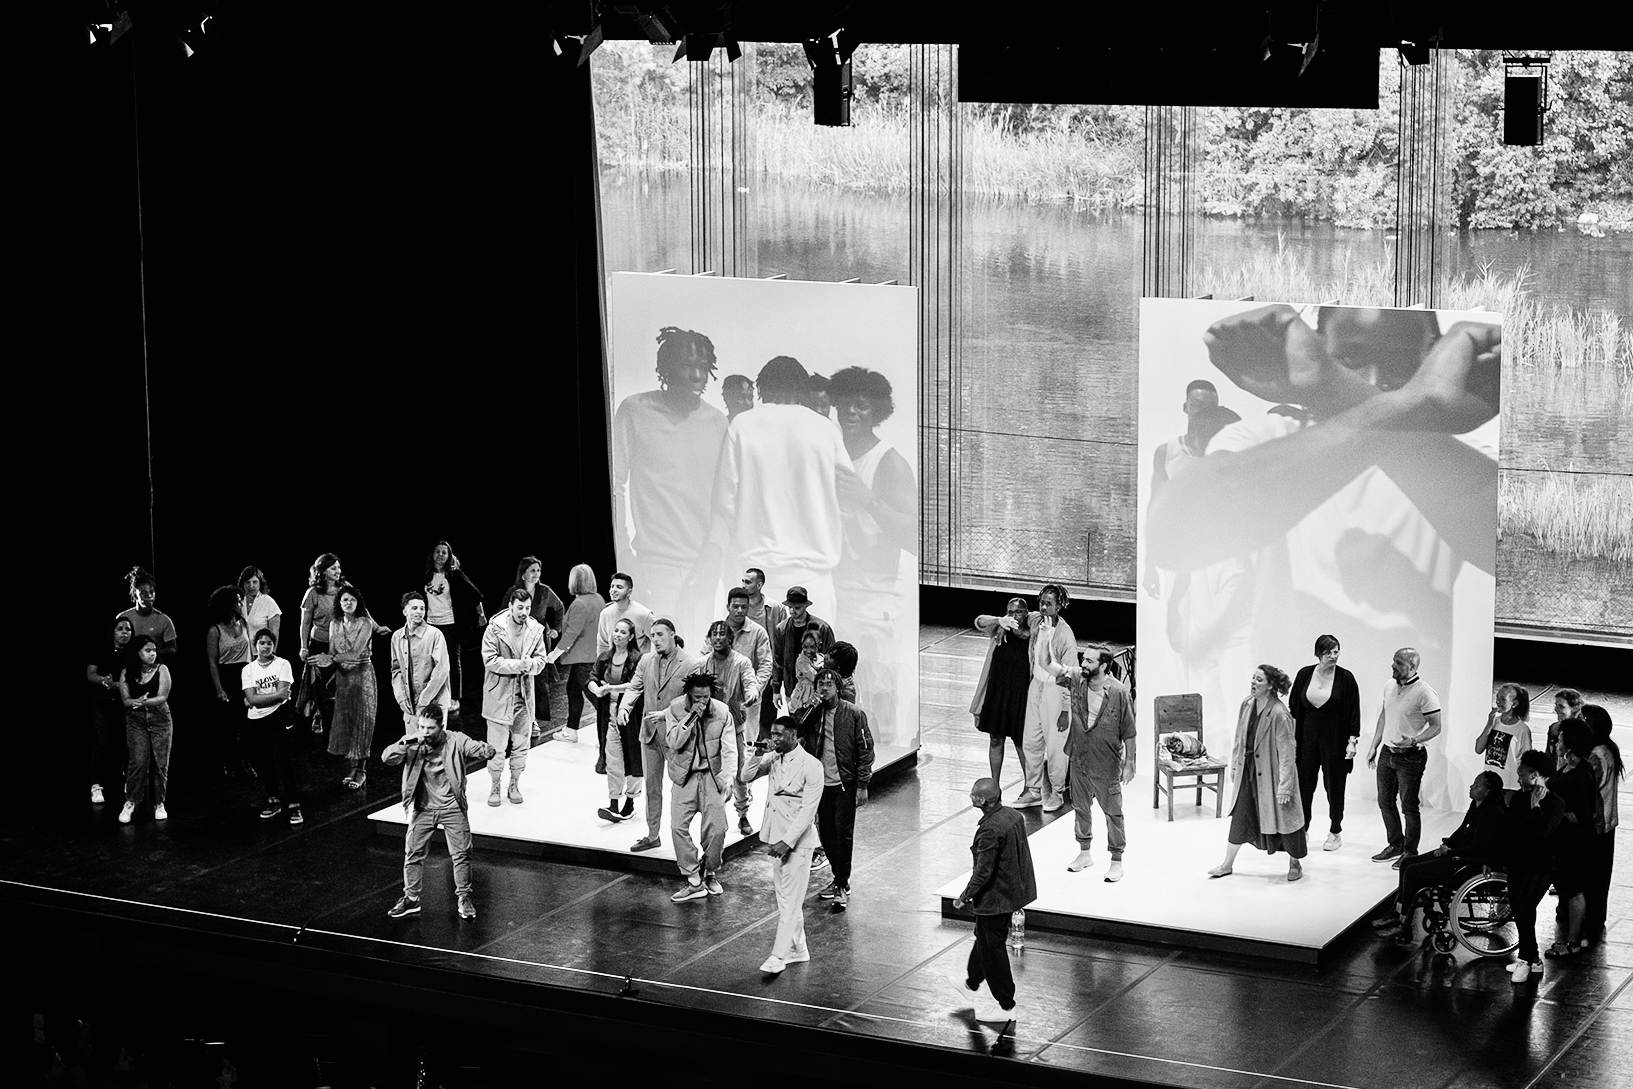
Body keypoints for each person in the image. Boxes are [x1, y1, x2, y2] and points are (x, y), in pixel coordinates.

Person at [709, 355, 860, 622]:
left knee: (754, 650)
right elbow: (848, 497)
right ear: (802, 389)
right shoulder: (825, 429)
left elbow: (725, 504)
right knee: (813, 649)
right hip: (814, 581)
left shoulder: (742, 425)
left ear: (762, 388)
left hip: (756, 581)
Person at [612, 327, 730, 644]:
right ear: (666, 367)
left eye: (703, 366)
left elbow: (725, 499)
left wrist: (714, 553)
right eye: (687, 365)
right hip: (653, 564)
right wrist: (623, 552)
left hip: (702, 567)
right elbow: (615, 485)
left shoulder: (717, 422)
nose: (697, 375)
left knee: (700, 662)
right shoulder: (635, 410)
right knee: (654, 663)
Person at [830, 365, 918, 746]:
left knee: (878, 697)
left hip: (876, 603)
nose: (851, 411)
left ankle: (885, 761)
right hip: (838, 597)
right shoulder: (832, 454)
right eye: (845, 403)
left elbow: (914, 536)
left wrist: (868, 501)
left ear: (877, 411)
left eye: (861, 405)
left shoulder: (889, 462)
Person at [383, 704, 498, 921]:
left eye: (430, 728)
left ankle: (464, 897)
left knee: (461, 855)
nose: (425, 732)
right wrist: (404, 743)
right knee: (413, 853)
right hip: (423, 808)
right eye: (422, 727)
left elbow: (480, 749)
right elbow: (387, 758)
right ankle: (411, 899)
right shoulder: (413, 743)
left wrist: (486, 750)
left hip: (452, 807)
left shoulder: (456, 740)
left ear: (441, 726)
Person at [1370, 771, 1506, 944]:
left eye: (1477, 785)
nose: (1471, 786)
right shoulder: (1477, 805)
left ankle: (1403, 924)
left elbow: (1478, 849)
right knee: (1406, 863)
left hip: (1467, 863)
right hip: (1457, 854)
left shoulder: (1492, 813)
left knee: (1412, 872)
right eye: (1473, 782)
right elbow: (1461, 831)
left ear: (1488, 791)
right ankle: (1397, 913)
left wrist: (1448, 852)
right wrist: (1447, 846)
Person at [740, 715, 824, 975]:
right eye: (772, 733)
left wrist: (786, 843)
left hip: (797, 843)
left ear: (793, 736)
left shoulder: (812, 766)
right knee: (786, 899)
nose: (773, 738)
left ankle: (779, 955)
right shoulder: (773, 758)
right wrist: (757, 754)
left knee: (789, 902)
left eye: (778, 734)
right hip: (775, 837)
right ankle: (799, 949)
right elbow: (745, 776)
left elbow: (808, 812)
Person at [949, 778, 1037, 1025]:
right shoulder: (1012, 816)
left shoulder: (989, 830)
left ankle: (1006, 1006)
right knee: (985, 939)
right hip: (1011, 892)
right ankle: (971, 983)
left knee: (992, 951)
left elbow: (983, 872)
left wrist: (964, 896)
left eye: (973, 794)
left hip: (995, 899)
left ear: (982, 800)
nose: (970, 796)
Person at [1210, 665, 1306, 882]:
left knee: (1286, 819)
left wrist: (1285, 786)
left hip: (1272, 775)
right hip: (1248, 771)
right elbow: (1239, 738)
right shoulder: (1247, 704)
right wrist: (1235, 765)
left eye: (1259, 680)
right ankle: (1227, 864)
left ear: (1271, 685)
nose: (1253, 682)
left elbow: (1288, 753)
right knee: (1241, 814)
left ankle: (1295, 863)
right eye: (1253, 678)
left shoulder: (1279, 713)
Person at [794, 668, 875, 907]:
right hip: (820, 784)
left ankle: (841, 882)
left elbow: (865, 749)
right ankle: (838, 878)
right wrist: (808, 708)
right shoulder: (814, 713)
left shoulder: (854, 714)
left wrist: (862, 784)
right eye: (820, 684)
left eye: (829, 684)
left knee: (843, 834)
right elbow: (796, 729)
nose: (824, 688)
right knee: (826, 834)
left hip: (844, 784)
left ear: (838, 688)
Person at [618, 619, 698, 851]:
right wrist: (624, 707)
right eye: (652, 635)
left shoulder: (690, 664)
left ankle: (681, 836)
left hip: (676, 737)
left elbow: (694, 700)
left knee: (680, 788)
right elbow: (635, 686)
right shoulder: (646, 660)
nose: (655, 639)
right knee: (652, 788)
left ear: (672, 634)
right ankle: (653, 835)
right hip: (650, 734)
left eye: (660, 634)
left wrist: (666, 714)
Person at [1059, 645, 1137, 883]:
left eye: (1089, 661)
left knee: (1112, 812)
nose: (1083, 664)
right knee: (1080, 806)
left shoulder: (1118, 692)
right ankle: (1084, 853)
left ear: (1103, 665)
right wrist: (1045, 638)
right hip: (1079, 756)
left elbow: (1129, 731)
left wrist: (1130, 763)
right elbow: (1049, 667)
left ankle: (1116, 861)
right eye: (1083, 659)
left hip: (1106, 761)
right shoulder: (1077, 680)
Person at [1141, 379, 1221, 600]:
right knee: (1178, 617)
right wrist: (1149, 565)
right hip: (1180, 559)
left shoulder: (1226, 452)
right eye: (1197, 406)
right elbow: (1154, 509)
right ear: (1186, 407)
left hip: (1218, 560)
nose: (1203, 413)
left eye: (1210, 408)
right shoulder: (1167, 452)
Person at [663, 671, 737, 903]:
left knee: (717, 830)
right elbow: (673, 741)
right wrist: (691, 717)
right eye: (697, 697)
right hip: (684, 777)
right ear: (689, 695)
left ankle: (710, 871)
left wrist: (729, 778)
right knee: (677, 827)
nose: (702, 701)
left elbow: (730, 749)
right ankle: (693, 879)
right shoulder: (675, 709)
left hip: (712, 777)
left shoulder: (722, 712)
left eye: (706, 697)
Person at [1365, 647, 1441, 866]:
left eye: (1398, 663)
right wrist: (1374, 745)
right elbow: (1384, 716)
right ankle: (1395, 844)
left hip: (1411, 757)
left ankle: (1410, 851)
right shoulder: (1389, 685)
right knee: (1385, 802)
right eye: (1394, 661)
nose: (1393, 665)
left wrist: (1415, 740)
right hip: (1387, 753)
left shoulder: (1425, 692)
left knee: (1409, 806)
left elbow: (1436, 726)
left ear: (1412, 666)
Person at [1290, 635, 1361, 852]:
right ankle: (1302, 829)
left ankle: (1335, 831)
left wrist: (1352, 741)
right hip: (1307, 740)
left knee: (1334, 787)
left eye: (1336, 651)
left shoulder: (1346, 678)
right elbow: (1294, 709)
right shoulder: (1304, 674)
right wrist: (1291, 740)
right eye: (1328, 652)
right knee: (1304, 787)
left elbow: (1353, 711)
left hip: (1335, 740)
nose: (1333, 656)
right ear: (1318, 653)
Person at [481, 587, 549, 807]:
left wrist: (532, 665)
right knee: (497, 747)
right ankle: (495, 785)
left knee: (521, 746)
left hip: (524, 697)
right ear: (510, 606)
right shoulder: (495, 628)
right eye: (520, 607)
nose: (524, 612)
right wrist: (519, 665)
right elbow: (490, 660)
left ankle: (514, 784)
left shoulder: (535, 629)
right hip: (499, 697)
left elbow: (541, 660)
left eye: (527, 608)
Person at [1015, 584, 1077, 812]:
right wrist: (1001, 626)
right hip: (1036, 686)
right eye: (1041, 602)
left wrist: (1065, 710)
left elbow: (1070, 676)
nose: (1043, 607)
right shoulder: (1036, 621)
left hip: (1056, 690)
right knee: (1031, 740)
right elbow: (1017, 623)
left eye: (1049, 603)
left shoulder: (1065, 635)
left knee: (1056, 746)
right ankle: (1033, 790)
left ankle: (1057, 792)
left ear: (1059, 606)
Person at [1506, 750, 1566, 983]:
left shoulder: (1555, 802)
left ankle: (1525, 958)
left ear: (1535, 775)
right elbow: (1510, 830)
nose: (1518, 778)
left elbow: (1544, 831)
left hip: (1541, 865)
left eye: (1521, 774)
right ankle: (1533, 960)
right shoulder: (1518, 798)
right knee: (1519, 909)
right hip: (1518, 862)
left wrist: (1535, 807)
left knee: (1524, 907)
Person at [699, 619, 759, 836]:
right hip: (710, 727)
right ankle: (716, 817)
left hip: (735, 726)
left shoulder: (741, 662)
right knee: (713, 772)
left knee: (740, 774)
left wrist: (752, 694)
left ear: (730, 638)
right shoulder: (703, 663)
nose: (718, 638)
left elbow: (750, 683)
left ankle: (743, 814)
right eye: (714, 634)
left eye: (722, 633)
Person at [328, 583, 389, 790]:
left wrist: (329, 658)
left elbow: (354, 653)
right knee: (347, 722)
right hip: (343, 678)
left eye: (352, 600)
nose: (348, 603)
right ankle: (353, 767)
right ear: (339, 603)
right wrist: (325, 660)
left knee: (363, 721)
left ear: (358, 603)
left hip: (362, 675)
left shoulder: (365, 623)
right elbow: (331, 651)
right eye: (345, 599)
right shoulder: (334, 624)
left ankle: (362, 770)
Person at [1547, 719, 1599, 959]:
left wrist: (1556, 813)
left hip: (1575, 843)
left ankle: (1573, 942)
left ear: (1570, 743)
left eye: (1560, 739)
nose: (1556, 742)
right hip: (1565, 841)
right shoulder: (1572, 765)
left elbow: (1583, 815)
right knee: (1569, 888)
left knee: (1574, 890)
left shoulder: (1579, 774)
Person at [243, 627, 302, 825]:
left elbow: (282, 695)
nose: (266, 646)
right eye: (262, 643)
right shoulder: (248, 670)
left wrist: (258, 699)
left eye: (269, 643)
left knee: (284, 761)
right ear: (255, 646)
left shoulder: (283, 664)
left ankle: (294, 805)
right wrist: (271, 696)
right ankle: (273, 801)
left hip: (280, 717)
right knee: (265, 762)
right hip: (257, 720)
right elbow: (252, 698)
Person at [970, 598, 1031, 785]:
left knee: (1021, 742)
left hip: (1022, 694)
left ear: (1026, 613)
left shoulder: (1033, 633)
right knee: (996, 739)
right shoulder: (1000, 628)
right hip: (997, 692)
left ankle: (1031, 786)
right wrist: (999, 620)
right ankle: (995, 784)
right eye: (1010, 612)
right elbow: (979, 621)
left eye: (1018, 612)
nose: (1014, 616)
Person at [422, 542, 485, 712]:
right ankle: (435, 695)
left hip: (450, 624)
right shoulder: (427, 575)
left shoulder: (454, 575)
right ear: (432, 554)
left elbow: (475, 594)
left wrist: (481, 615)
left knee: (451, 661)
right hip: (431, 624)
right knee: (433, 662)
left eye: (444, 552)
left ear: (449, 555)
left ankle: (454, 697)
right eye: (437, 551)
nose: (440, 555)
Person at [1578, 704, 1622, 947]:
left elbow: (1588, 788)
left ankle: (1591, 922)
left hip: (1596, 824)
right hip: (1604, 823)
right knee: (1598, 876)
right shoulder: (1605, 750)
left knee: (1593, 877)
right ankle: (1593, 918)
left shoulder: (1597, 754)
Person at [117, 635, 173, 825]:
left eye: (154, 650)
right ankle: (131, 801)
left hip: (160, 718)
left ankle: (159, 803)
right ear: (137, 652)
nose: (152, 654)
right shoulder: (127, 672)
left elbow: (163, 696)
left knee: (160, 762)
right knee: (138, 762)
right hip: (136, 720)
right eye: (147, 650)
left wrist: (145, 701)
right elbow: (126, 700)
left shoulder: (161, 669)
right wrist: (137, 702)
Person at [591, 618, 643, 823]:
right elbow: (592, 678)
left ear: (630, 637)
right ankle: (613, 803)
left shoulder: (638, 659)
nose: (618, 635)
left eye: (623, 632)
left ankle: (630, 803)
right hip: (608, 713)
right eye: (616, 631)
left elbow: (636, 684)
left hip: (630, 714)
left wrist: (611, 688)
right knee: (612, 758)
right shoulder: (605, 657)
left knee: (633, 757)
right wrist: (598, 690)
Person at [547, 563, 605, 746]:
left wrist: (554, 655)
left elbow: (571, 634)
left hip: (584, 659)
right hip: (593, 656)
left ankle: (610, 735)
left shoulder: (580, 604)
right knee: (573, 690)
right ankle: (571, 730)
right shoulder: (598, 599)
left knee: (595, 697)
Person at [513, 556, 566, 740]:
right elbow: (503, 613)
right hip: (519, 639)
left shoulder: (544, 591)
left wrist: (556, 629)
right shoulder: (514, 592)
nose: (536, 574)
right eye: (532, 570)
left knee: (539, 680)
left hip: (539, 638)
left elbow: (559, 607)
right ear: (523, 573)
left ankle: (534, 719)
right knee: (521, 680)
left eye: (538, 570)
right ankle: (521, 717)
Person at [205, 585, 254, 779]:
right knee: (229, 726)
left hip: (245, 675)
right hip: (227, 676)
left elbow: (251, 653)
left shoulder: (244, 624)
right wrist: (219, 688)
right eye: (237, 602)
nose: (241, 604)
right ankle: (230, 763)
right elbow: (212, 661)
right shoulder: (215, 631)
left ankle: (246, 762)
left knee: (247, 723)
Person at [88, 617, 134, 806]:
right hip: (103, 703)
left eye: (128, 629)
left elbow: (137, 678)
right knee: (102, 743)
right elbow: (91, 674)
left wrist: (118, 685)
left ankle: (129, 781)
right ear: (113, 632)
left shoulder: (133, 654)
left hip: (125, 703)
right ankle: (96, 785)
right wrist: (103, 681)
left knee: (126, 743)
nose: (124, 632)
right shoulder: (102, 650)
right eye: (120, 629)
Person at [296, 554, 343, 732]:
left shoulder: (344, 588)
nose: (338, 571)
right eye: (333, 568)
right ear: (322, 571)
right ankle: (319, 717)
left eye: (338, 567)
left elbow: (362, 609)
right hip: (319, 644)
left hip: (339, 645)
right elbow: (305, 622)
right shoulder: (313, 593)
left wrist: (376, 627)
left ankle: (337, 723)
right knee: (319, 688)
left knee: (337, 687)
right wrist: (303, 647)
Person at [390, 591, 451, 729]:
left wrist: (424, 701)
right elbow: (396, 669)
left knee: (433, 741)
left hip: (434, 702)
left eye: (422, 608)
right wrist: (401, 698)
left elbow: (442, 670)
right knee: (412, 742)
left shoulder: (435, 634)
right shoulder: (397, 637)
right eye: (414, 608)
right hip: (410, 705)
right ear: (405, 611)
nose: (419, 611)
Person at [741, 567, 788, 740]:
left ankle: (765, 752)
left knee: (767, 719)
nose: (743, 585)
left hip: (767, 671)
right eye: (743, 581)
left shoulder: (775, 608)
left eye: (748, 582)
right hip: (744, 672)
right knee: (744, 719)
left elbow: (783, 640)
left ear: (759, 585)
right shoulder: (740, 608)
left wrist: (778, 674)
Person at [774, 586, 836, 715]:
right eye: (790, 607)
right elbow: (778, 661)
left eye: (797, 608)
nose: (792, 611)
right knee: (796, 722)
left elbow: (832, 660)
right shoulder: (782, 629)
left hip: (818, 691)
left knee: (818, 723)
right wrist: (776, 689)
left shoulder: (822, 628)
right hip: (793, 690)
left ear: (805, 606)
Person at [724, 586, 774, 738]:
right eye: (735, 606)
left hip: (748, 699)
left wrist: (754, 689)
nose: (739, 610)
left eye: (744, 607)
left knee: (747, 743)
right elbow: (705, 657)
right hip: (721, 696)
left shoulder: (758, 632)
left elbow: (766, 665)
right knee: (721, 742)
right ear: (727, 607)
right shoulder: (718, 631)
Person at [1474, 683, 1534, 794]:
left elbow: (1527, 760)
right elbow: (1478, 749)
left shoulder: (1522, 730)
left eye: (1503, 699)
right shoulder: (1494, 722)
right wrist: (1489, 725)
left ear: (1514, 703)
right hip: (1489, 782)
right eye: (1497, 698)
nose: (1498, 701)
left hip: (1509, 785)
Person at [118, 566, 177, 660]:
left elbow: (172, 649)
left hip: (152, 665)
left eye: (151, 592)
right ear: (135, 595)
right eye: (144, 593)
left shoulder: (163, 620)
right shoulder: (123, 618)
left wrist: (149, 653)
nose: (149, 596)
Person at [597, 572, 653, 657]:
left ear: (629, 592)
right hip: (613, 663)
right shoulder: (605, 613)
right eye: (612, 586)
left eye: (619, 587)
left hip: (638, 664)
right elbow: (603, 645)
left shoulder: (643, 614)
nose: (613, 590)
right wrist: (601, 664)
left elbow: (659, 640)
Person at [238, 566, 281, 649]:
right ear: (243, 584)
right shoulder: (238, 601)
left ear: (260, 583)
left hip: (261, 652)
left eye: (255, 582)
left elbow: (274, 634)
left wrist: (271, 653)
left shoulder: (269, 602)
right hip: (241, 652)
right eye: (247, 582)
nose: (251, 586)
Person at [786, 628, 824, 719]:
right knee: (802, 718)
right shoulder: (801, 661)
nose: (808, 651)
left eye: (812, 647)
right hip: (804, 694)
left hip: (816, 694)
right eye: (805, 647)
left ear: (819, 645)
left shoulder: (820, 657)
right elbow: (815, 677)